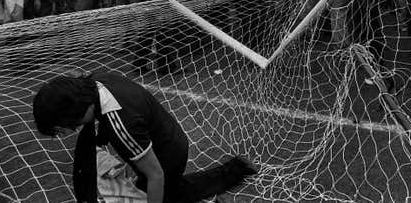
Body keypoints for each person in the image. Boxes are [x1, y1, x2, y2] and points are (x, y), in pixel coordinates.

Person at [33, 71, 257, 203]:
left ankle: (232, 173)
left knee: (165, 195)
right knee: (169, 191)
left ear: (71, 113)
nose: (69, 130)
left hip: (167, 154)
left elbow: (156, 175)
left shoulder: (120, 122)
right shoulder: (94, 83)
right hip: (165, 135)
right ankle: (235, 169)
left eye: (63, 125)